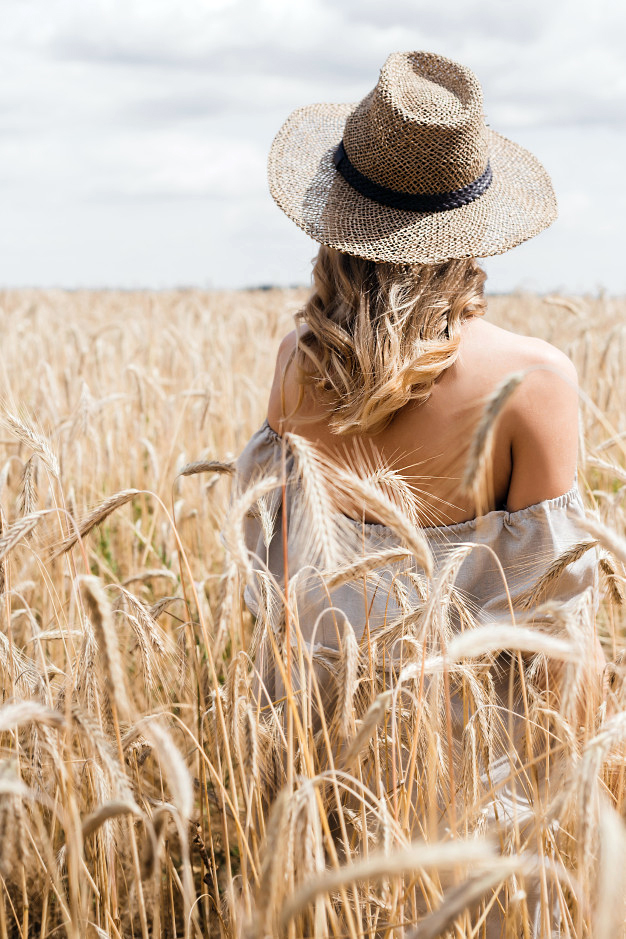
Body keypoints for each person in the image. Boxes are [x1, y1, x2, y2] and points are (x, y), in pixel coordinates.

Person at [232, 51, 601, 936]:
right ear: (471, 223)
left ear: (335, 217)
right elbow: (558, 631)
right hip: (472, 795)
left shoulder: (297, 365)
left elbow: (277, 586)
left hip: (318, 774)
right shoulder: (537, 380)